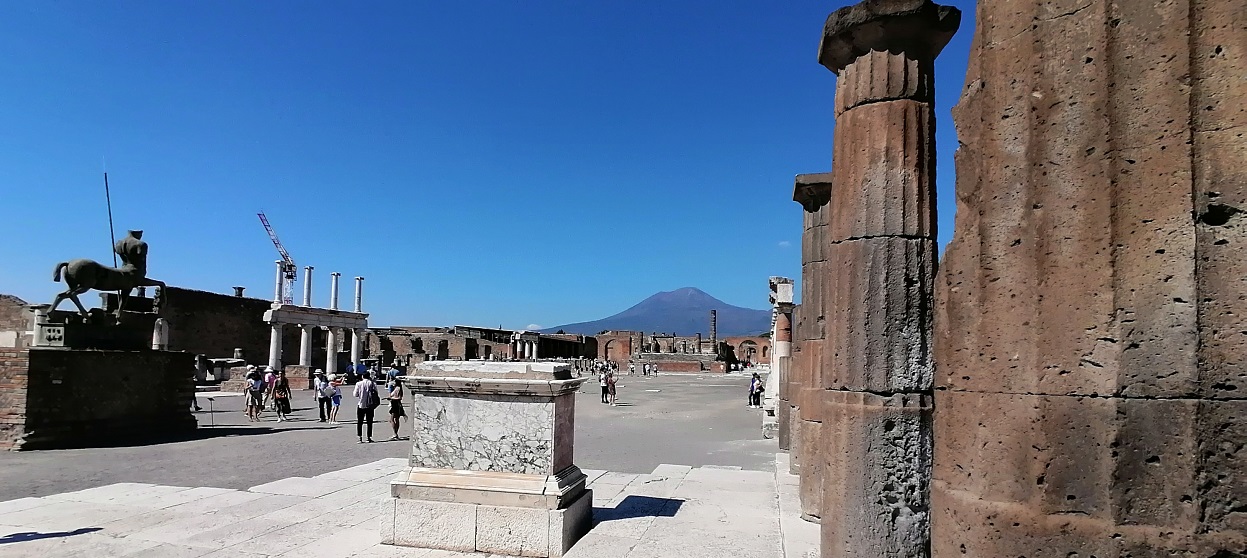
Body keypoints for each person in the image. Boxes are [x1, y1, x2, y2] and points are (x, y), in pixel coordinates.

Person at [353, 371, 380, 443]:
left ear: (362, 376)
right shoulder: (372, 383)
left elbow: (355, 394)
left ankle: (360, 437)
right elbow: (376, 393)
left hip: (361, 404)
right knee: (370, 422)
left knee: (360, 422)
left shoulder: (358, 384)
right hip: (370, 405)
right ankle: (369, 437)